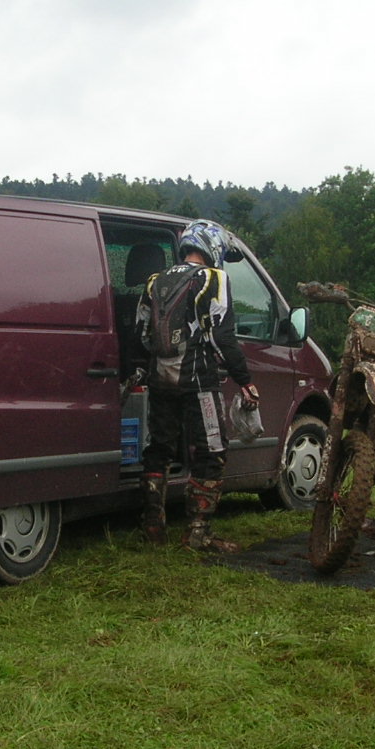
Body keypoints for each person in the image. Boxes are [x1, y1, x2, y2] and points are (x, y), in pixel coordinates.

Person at [135, 219, 259, 552]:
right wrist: (244, 379)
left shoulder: (155, 281)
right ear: (213, 247)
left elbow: (142, 334)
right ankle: (198, 532)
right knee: (212, 452)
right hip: (199, 380)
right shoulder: (213, 278)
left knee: (158, 449)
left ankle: (152, 527)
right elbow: (222, 335)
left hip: (160, 378)